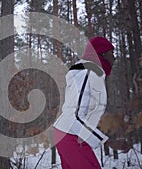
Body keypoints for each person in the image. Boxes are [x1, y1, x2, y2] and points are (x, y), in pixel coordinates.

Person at [53, 36, 129, 169]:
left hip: (69, 133)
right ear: (102, 54)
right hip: (71, 135)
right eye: (112, 53)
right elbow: (75, 116)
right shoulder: (88, 73)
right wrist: (107, 141)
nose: (114, 57)